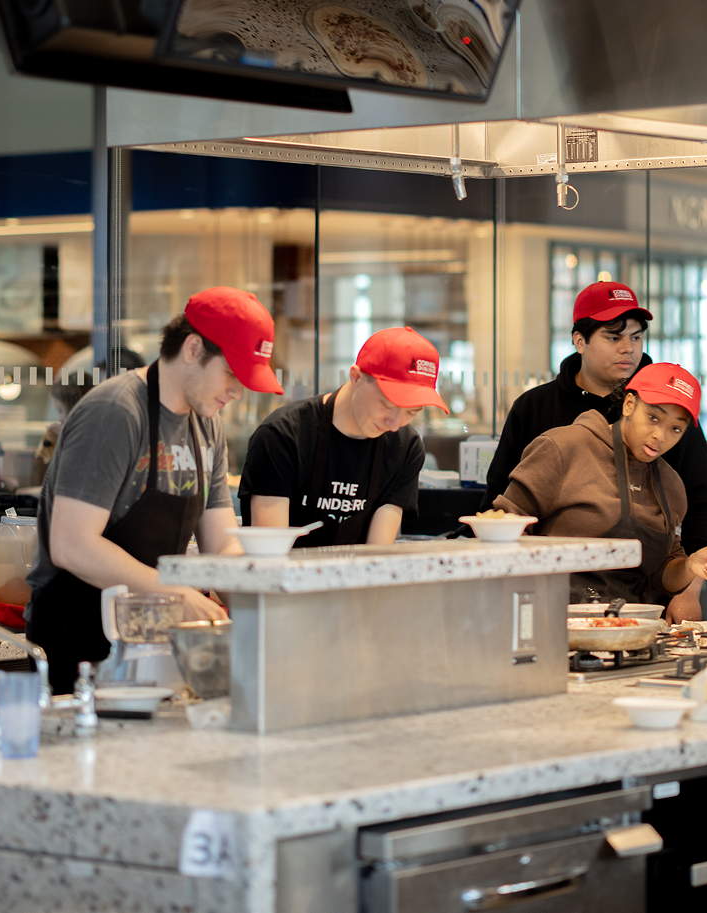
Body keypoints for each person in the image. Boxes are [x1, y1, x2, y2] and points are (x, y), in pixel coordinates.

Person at [26, 287, 283, 692]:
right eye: (233, 373)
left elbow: (220, 544)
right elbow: (72, 544)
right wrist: (175, 594)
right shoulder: (116, 412)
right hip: (78, 638)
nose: (238, 391)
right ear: (194, 349)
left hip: (149, 637)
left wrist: (254, 600)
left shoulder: (206, 424)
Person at [483, 281, 707, 622]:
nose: (628, 349)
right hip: (552, 605)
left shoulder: (673, 409)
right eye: (614, 337)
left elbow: (699, 509)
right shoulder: (541, 416)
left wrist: (689, 586)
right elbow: (501, 512)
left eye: (636, 337)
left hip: (641, 609)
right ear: (580, 340)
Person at [493, 362, 707, 606]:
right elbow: (505, 526)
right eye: (653, 418)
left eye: (675, 428)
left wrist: (689, 567)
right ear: (629, 404)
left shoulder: (671, 486)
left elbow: (662, 575)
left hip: (630, 623)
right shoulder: (563, 447)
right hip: (551, 615)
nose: (660, 436)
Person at [238, 326, 445, 548]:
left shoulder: (405, 446)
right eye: (387, 405)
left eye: (411, 413)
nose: (394, 424)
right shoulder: (283, 435)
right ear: (355, 377)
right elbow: (269, 553)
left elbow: (377, 552)